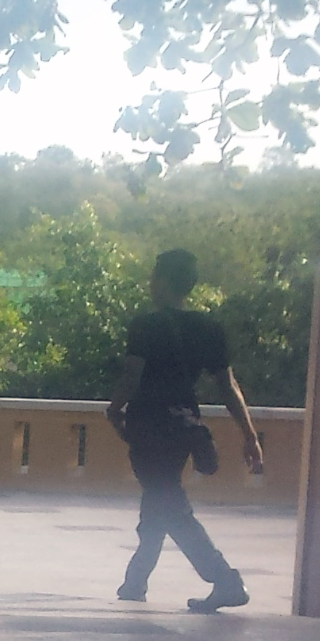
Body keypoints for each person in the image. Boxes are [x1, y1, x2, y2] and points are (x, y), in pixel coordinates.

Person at [110, 247, 266, 612]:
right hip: (183, 426)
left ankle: (225, 580)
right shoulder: (208, 328)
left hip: (148, 425)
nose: (150, 283)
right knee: (159, 496)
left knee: (169, 504)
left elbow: (132, 375)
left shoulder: (146, 325)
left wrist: (114, 409)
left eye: (154, 276)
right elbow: (228, 387)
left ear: (164, 281)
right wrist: (250, 436)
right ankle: (135, 582)